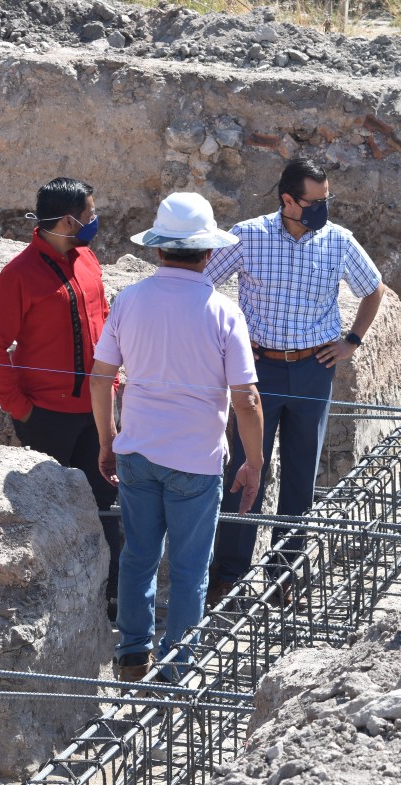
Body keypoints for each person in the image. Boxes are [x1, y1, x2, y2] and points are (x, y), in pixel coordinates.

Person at [90, 192, 264, 682]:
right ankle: (177, 665)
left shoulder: (129, 300)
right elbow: (247, 399)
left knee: (138, 556)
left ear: (157, 248)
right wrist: (253, 462)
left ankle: (132, 653)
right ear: (209, 252)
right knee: (190, 569)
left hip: (138, 453)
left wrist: (108, 438)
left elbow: (101, 378)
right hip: (195, 461)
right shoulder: (223, 312)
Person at [204, 157, 386, 606]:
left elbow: (374, 288)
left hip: (312, 371)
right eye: (315, 201)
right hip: (258, 371)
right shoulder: (248, 236)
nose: (323, 208)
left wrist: (352, 341)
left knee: (301, 476)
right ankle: (229, 575)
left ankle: (283, 576)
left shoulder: (338, 240)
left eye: (327, 199)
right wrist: (226, 343)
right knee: (246, 468)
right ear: (288, 199)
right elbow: (201, 284)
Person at [0, 176, 123, 619]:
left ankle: (112, 604)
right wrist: (20, 408)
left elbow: (103, 321)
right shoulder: (17, 276)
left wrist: (115, 382)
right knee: (52, 515)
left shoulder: (88, 259)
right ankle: (56, 609)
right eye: (90, 214)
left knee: (107, 508)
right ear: (67, 221)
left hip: (97, 413)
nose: (95, 220)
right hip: (46, 420)